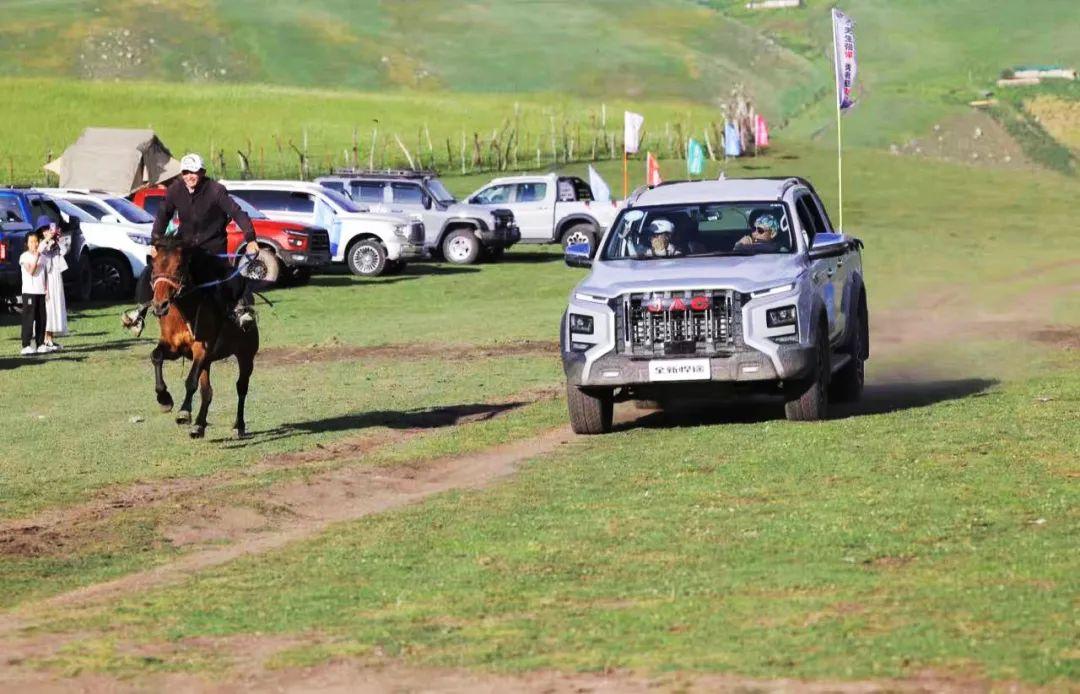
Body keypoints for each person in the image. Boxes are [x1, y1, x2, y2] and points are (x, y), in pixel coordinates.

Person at [122, 153, 259, 335]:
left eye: (193, 172)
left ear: (202, 172)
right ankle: (139, 313)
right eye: (185, 172)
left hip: (212, 249)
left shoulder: (216, 190)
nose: (189, 176)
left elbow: (237, 212)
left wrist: (250, 239)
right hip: (184, 248)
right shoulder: (175, 190)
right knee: (154, 270)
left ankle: (240, 310)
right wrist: (156, 242)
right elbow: (163, 215)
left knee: (229, 276)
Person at [39, 218, 68, 350]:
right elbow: (39, 251)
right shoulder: (40, 243)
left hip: (55, 277)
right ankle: (43, 337)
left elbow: (64, 251)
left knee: (56, 306)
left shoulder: (55, 243)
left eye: (49, 229)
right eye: (44, 230)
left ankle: (50, 337)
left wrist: (57, 239)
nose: (47, 232)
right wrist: (46, 240)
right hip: (45, 278)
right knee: (47, 307)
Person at [19, 230, 48, 355]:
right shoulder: (24, 256)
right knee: (29, 318)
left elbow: (45, 274)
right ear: (27, 244)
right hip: (29, 292)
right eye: (31, 242)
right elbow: (30, 271)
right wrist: (36, 257)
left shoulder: (44, 257)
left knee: (41, 318)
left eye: (36, 241)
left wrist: (47, 289)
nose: (35, 244)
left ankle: (40, 343)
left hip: (41, 291)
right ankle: (26, 345)